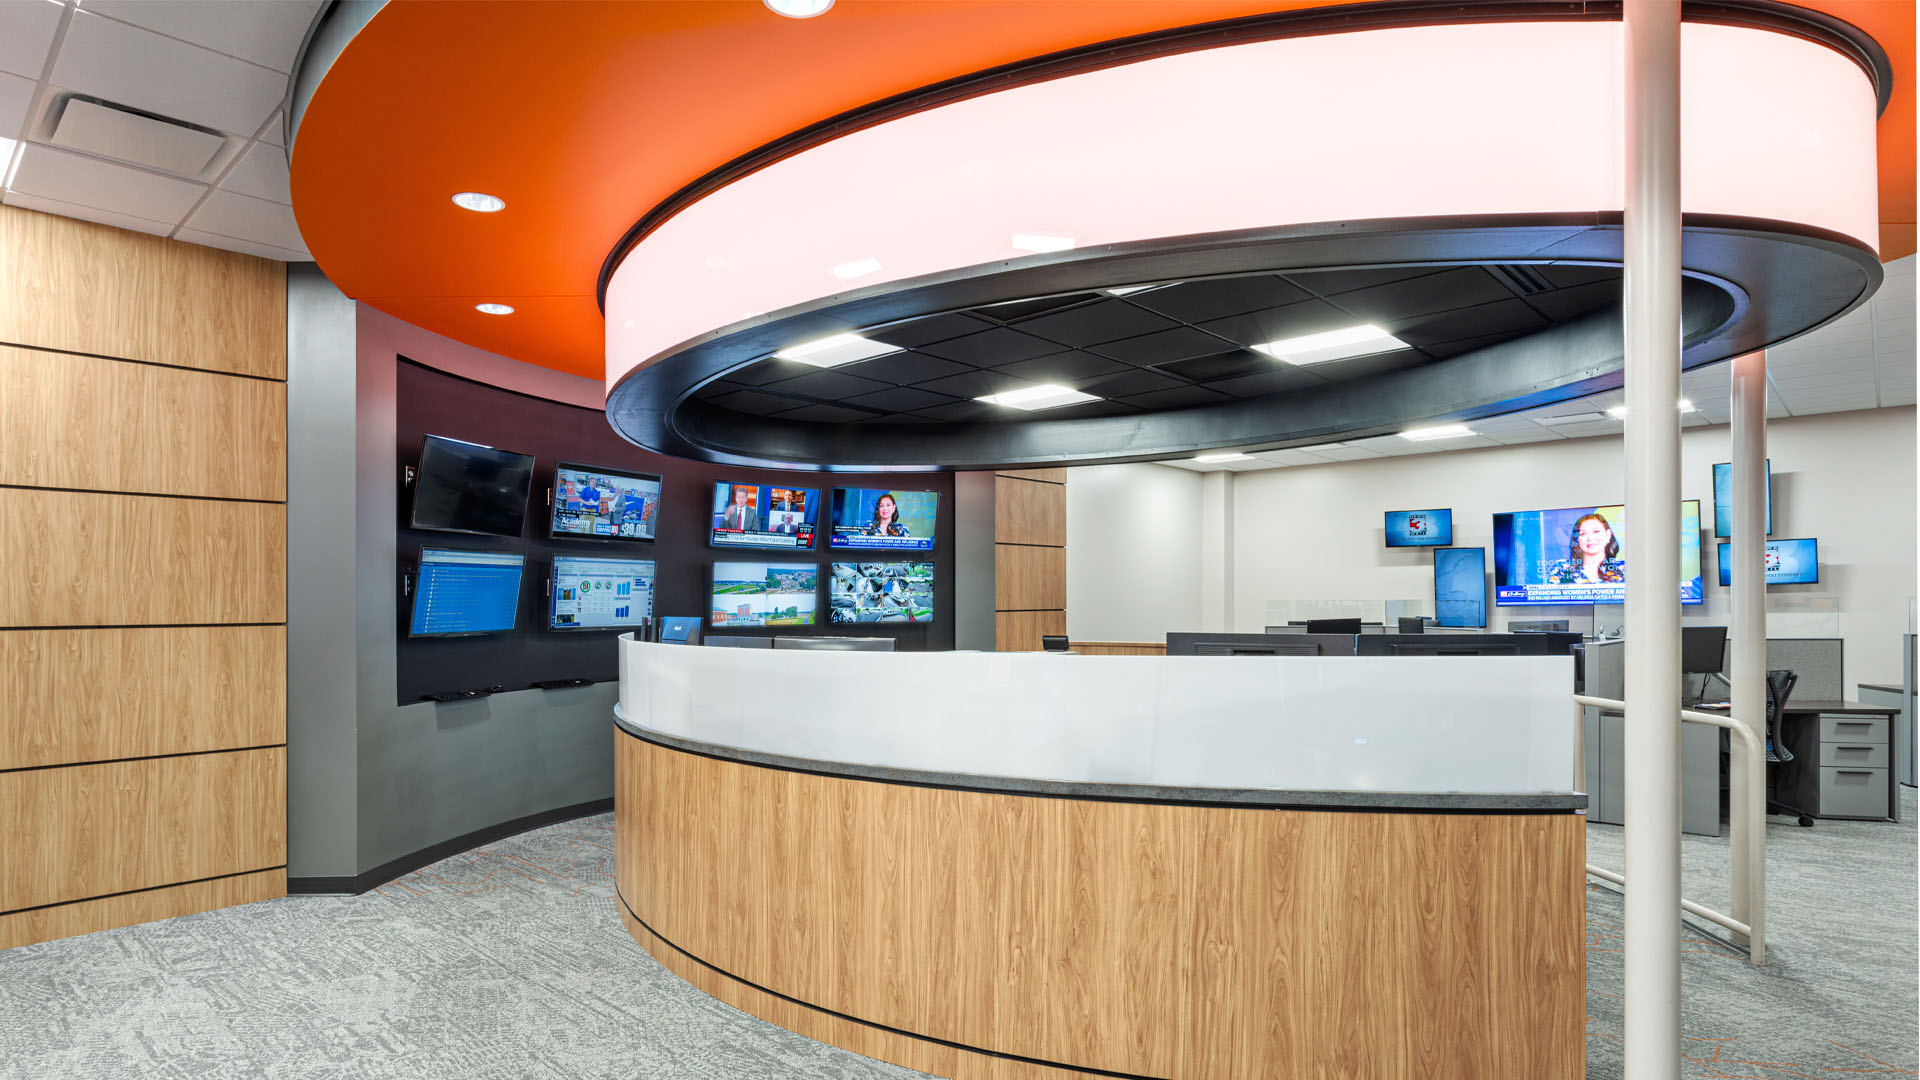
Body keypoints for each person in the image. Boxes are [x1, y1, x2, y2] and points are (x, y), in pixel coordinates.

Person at [1547, 511, 1625, 584]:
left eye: (1596, 532)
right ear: (1577, 539)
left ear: (1608, 535)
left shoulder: (1623, 568)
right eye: (1583, 534)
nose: (1590, 538)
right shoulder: (1562, 568)